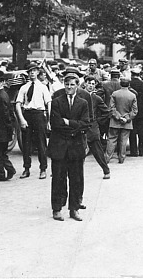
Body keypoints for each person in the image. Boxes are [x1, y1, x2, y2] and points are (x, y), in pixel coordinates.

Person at [47, 71, 89, 221]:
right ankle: (57, 209)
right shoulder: (57, 102)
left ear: (77, 86)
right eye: (67, 84)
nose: (69, 87)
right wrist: (74, 126)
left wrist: (68, 122)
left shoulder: (83, 103)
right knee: (58, 179)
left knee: (76, 179)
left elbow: (86, 124)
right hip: (59, 146)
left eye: (72, 85)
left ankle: (74, 209)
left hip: (76, 147)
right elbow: (56, 124)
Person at [15, 63, 51, 180]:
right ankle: (26, 168)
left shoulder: (43, 87)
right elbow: (18, 104)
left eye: (34, 71)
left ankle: (43, 169)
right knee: (26, 143)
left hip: (39, 115)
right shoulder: (24, 87)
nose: (32, 73)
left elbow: (48, 103)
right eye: (30, 71)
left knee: (41, 143)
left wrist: (49, 120)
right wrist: (21, 119)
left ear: (37, 73)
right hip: (27, 115)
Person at [83, 76, 111, 179]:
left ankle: (106, 170)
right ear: (85, 84)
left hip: (93, 128)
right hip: (80, 126)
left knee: (97, 151)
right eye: (89, 83)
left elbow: (106, 112)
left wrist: (97, 121)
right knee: (78, 151)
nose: (91, 86)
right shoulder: (79, 96)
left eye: (93, 84)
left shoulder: (96, 98)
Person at [105, 77, 138, 164]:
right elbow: (135, 111)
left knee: (111, 139)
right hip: (127, 122)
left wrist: (118, 117)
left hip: (115, 121)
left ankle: (107, 158)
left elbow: (111, 108)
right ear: (129, 85)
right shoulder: (132, 95)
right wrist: (126, 118)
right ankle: (121, 158)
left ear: (120, 84)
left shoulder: (115, 94)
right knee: (123, 140)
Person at [128, 68, 143, 156]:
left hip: (131, 111)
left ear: (132, 75)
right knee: (141, 131)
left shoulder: (129, 84)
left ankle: (133, 151)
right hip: (142, 112)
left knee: (132, 131)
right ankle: (141, 150)